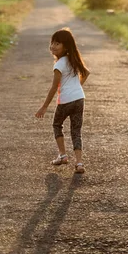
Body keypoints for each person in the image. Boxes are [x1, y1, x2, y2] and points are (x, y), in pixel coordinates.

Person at [35, 28, 90, 173]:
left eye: (57, 44)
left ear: (65, 46)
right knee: (76, 131)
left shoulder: (59, 65)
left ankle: (63, 155)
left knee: (57, 124)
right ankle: (79, 163)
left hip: (66, 100)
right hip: (79, 98)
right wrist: (77, 87)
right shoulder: (74, 60)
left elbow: (54, 88)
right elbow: (86, 73)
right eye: (52, 43)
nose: (53, 46)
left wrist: (44, 106)